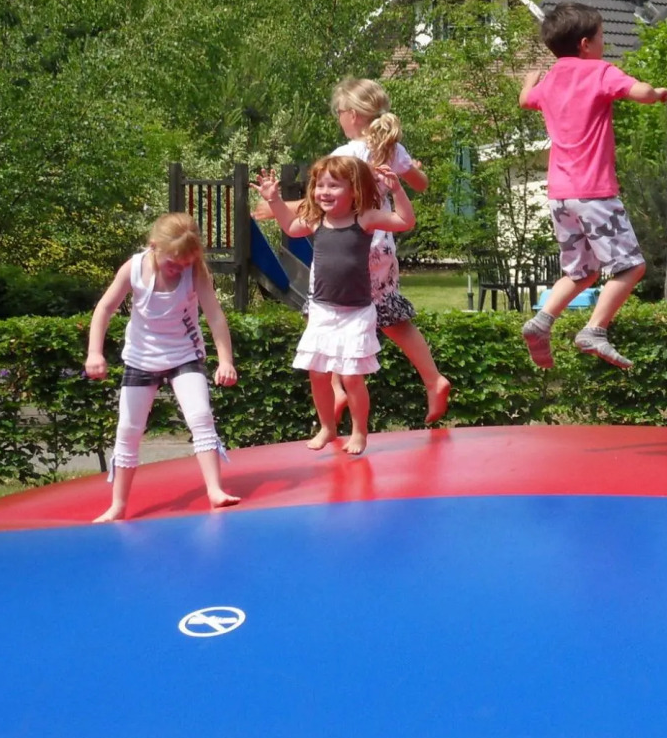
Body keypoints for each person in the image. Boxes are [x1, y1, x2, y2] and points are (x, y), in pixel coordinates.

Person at [517, 2, 667, 370]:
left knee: (581, 271)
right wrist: (658, 93)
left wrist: (529, 79)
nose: (605, 43)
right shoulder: (599, 72)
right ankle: (595, 331)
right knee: (630, 267)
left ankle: (541, 322)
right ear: (586, 44)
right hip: (595, 193)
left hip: (560, 195)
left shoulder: (551, 78)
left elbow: (526, 100)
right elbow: (640, 92)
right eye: (602, 37)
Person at [255, 154, 416, 455]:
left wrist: (397, 190)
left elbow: (405, 221)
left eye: (334, 186)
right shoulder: (317, 220)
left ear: (354, 189)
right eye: (320, 185)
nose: (324, 192)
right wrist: (275, 200)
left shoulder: (364, 218)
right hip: (322, 310)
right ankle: (327, 427)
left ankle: (359, 432)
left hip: (356, 312)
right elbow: (290, 227)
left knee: (352, 376)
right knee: (318, 373)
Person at [85, 213, 239, 523]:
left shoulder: (195, 273)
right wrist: (94, 353)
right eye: (173, 262)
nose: (178, 268)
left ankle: (215, 490)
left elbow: (215, 316)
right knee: (128, 429)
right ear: (154, 246)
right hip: (141, 357)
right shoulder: (134, 269)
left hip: (184, 355)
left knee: (200, 415)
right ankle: (118, 505)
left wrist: (226, 360)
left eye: (185, 263)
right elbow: (104, 308)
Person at [328, 78, 451, 425]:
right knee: (393, 318)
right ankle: (433, 379)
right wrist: (408, 171)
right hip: (383, 245)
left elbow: (327, 199)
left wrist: (280, 207)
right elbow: (421, 184)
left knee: (330, 311)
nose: (339, 118)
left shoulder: (344, 155)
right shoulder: (392, 150)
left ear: (352, 115)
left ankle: (337, 386)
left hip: (351, 246)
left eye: (339, 112)